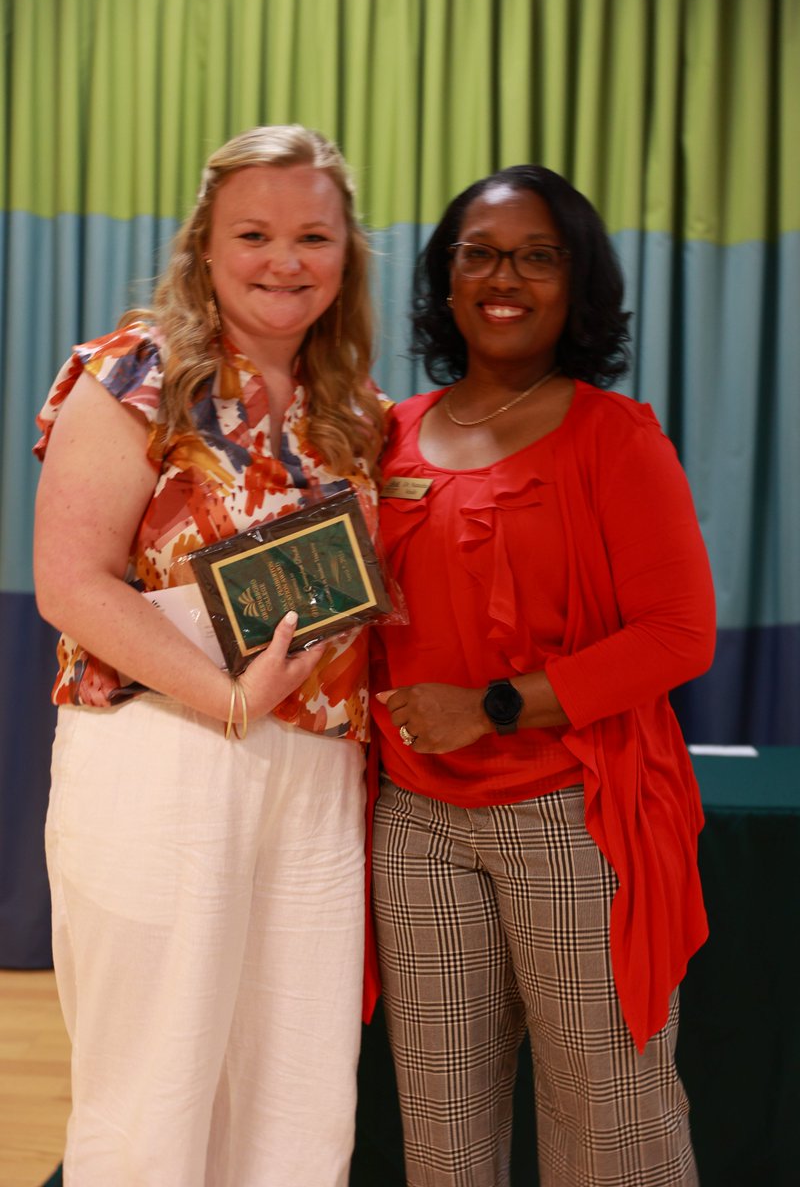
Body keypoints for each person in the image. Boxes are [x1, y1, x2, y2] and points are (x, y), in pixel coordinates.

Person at [33, 124, 385, 1187]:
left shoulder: (354, 410)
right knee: (154, 1084)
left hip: (317, 769)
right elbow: (73, 580)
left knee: (298, 1085)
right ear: (204, 244)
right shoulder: (133, 371)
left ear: (345, 255)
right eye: (255, 234)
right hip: (164, 753)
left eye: (313, 236)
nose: (285, 261)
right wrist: (228, 698)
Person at [369, 165, 716, 1187]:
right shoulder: (385, 433)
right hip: (416, 824)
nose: (501, 277)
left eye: (534, 255)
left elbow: (674, 636)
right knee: (439, 1135)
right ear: (444, 278)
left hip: (573, 812)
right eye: (476, 254)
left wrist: (491, 707)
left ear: (575, 282)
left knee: (609, 1127)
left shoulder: (614, 438)